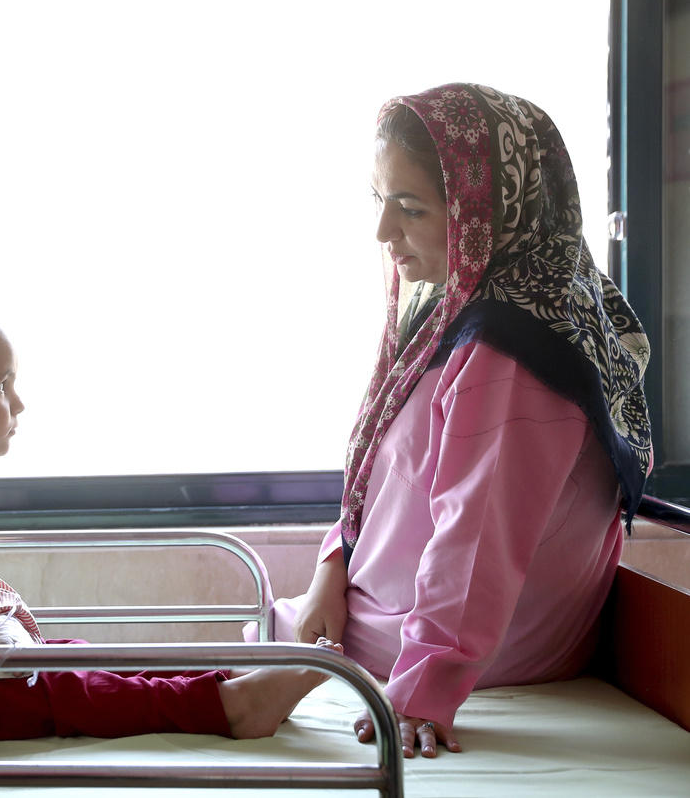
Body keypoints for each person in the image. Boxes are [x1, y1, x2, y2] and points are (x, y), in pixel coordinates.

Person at [256, 83, 652, 760]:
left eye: (409, 208)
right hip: (393, 620)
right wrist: (333, 567)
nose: (383, 233)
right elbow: (389, 479)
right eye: (378, 200)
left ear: (484, 215)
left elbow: (476, 543)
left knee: (208, 675)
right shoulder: (482, 306)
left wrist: (419, 692)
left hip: (457, 650)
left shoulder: (512, 348)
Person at [0, 302, 338, 762]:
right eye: (2, 385)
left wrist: (6, 623)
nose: (19, 403)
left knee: (72, 653)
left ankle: (222, 673)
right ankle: (231, 707)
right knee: (65, 688)